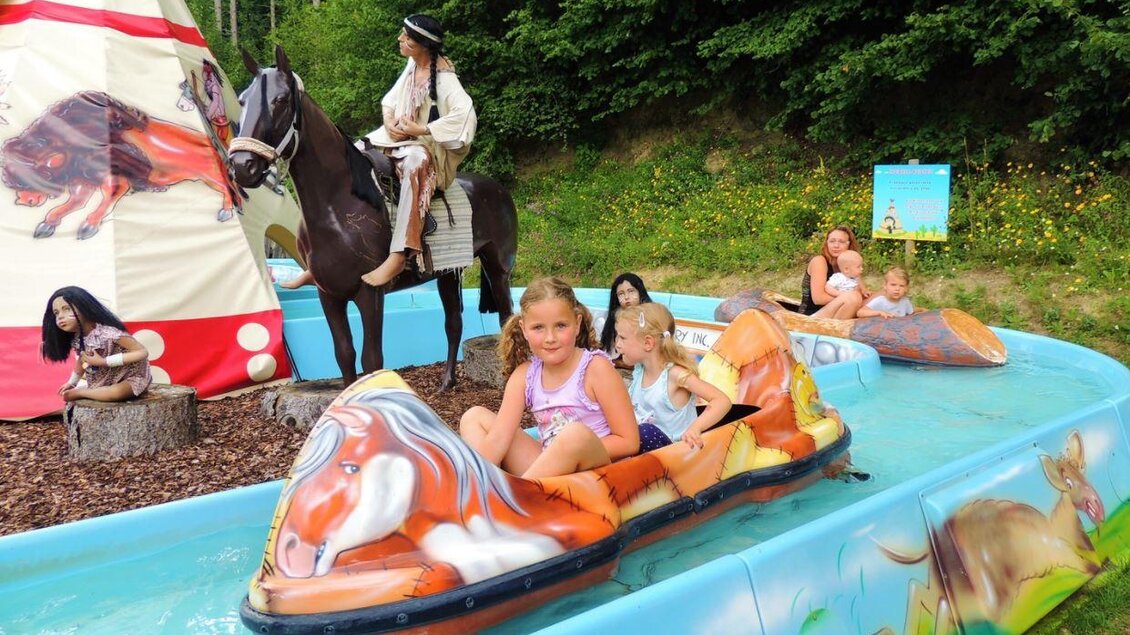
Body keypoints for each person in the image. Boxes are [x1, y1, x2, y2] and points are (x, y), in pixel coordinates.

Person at [459, 277, 639, 478]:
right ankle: (482, 485)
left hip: (594, 476)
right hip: (546, 476)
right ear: (524, 329)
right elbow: (498, 440)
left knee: (574, 435)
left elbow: (629, 442)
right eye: (538, 328)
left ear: (577, 324)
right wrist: (480, 472)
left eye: (561, 325)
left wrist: (564, 454)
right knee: (473, 417)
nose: (550, 338)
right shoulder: (525, 376)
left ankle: (518, 494)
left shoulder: (596, 369)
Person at [361, 14, 477, 288]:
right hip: (398, 140)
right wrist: (389, 121)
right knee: (355, 150)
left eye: (406, 37)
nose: (400, 39)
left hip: (426, 151)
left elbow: (466, 118)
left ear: (423, 44)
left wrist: (422, 130)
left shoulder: (446, 80)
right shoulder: (412, 65)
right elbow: (390, 100)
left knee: (415, 161)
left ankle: (400, 252)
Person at [615, 304, 731, 451]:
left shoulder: (675, 375)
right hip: (643, 451)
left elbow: (721, 401)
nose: (617, 344)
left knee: (644, 432)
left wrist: (696, 428)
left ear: (648, 343)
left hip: (674, 452)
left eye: (622, 338)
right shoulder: (639, 371)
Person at [41, 287, 152, 403]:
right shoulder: (78, 339)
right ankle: (92, 391)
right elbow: (82, 360)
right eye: (56, 313)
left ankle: (81, 393)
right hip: (104, 380)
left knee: (116, 393)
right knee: (108, 390)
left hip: (131, 378)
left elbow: (142, 352)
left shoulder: (109, 334)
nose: (60, 316)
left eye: (67, 309)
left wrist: (104, 362)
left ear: (84, 307)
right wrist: (72, 382)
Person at [798, 225, 868, 319]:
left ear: (849, 245)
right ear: (827, 243)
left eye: (841, 242)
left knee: (882, 294)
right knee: (854, 297)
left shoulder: (848, 265)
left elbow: (860, 291)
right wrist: (848, 299)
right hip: (812, 316)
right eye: (832, 241)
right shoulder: (819, 261)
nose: (836, 246)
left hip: (840, 309)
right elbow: (818, 299)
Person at [598, 272, 653, 356]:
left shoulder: (651, 316)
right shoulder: (613, 319)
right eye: (621, 294)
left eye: (631, 291)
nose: (626, 297)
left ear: (640, 292)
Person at [857, 267, 923, 318]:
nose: (897, 289)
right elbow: (860, 313)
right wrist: (879, 313)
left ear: (906, 288)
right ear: (885, 286)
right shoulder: (880, 301)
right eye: (893, 285)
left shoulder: (905, 301)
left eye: (901, 286)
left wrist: (923, 310)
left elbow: (911, 312)